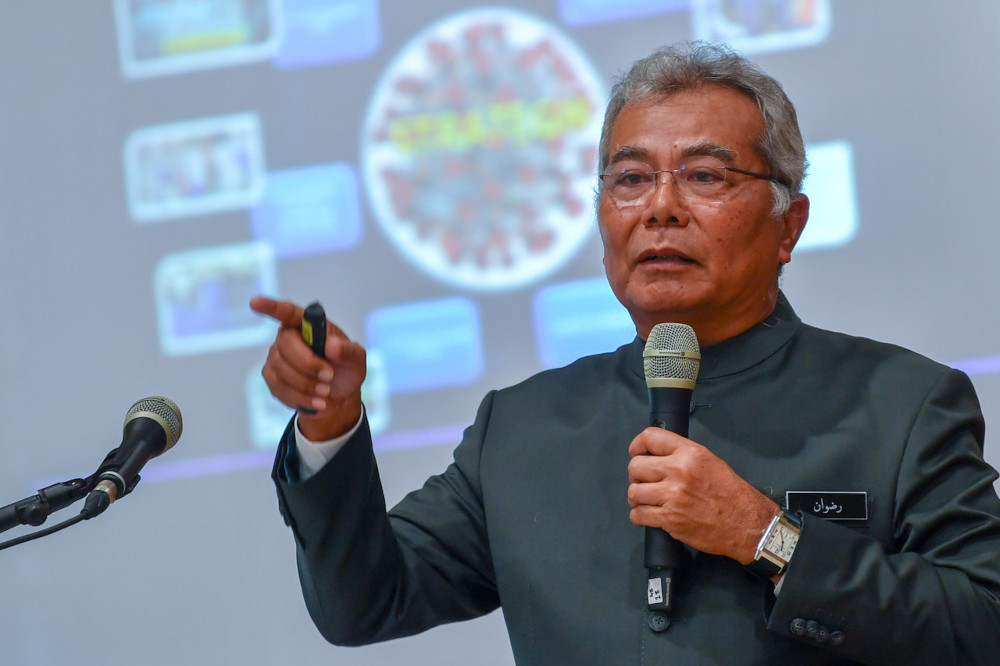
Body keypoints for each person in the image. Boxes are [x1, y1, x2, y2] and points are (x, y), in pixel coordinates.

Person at [250, 42, 1000, 664]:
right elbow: (363, 604)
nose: (661, 206)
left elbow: (982, 622)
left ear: (789, 226)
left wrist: (767, 537)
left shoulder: (901, 404)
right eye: (631, 178)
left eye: (705, 176)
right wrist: (331, 424)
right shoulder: (522, 427)